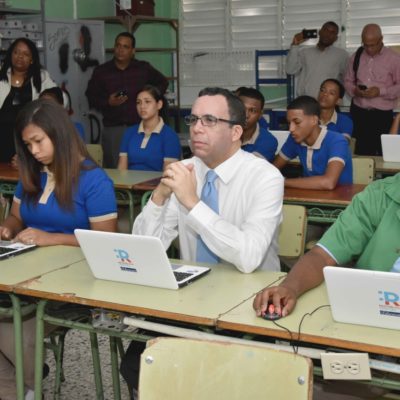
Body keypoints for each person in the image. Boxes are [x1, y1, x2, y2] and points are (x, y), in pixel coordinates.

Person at [121, 87, 283, 396]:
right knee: (139, 365)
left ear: (236, 131)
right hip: (191, 297)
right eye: (193, 118)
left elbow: (248, 257)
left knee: (221, 380)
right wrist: (159, 197)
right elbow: (142, 249)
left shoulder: (265, 177)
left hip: (248, 302)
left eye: (209, 120)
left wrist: (193, 203)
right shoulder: (186, 170)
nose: (196, 127)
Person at [0, 99, 117, 400]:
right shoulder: (32, 173)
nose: (33, 151)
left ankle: (26, 383)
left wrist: (52, 238)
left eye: (38, 141)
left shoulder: (93, 180)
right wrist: (9, 228)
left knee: (15, 328)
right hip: (26, 275)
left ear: (58, 134)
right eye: (28, 145)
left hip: (72, 283)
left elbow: (106, 241)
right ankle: (21, 385)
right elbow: (16, 216)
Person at [253, 173, 400, 400]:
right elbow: (322, 255)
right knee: (295, 382)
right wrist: (290, 287)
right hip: (371, 331)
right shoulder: (381, 195)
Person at [86, 32, 168, 168]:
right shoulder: (102, 71)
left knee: (142, 167)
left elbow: (162, 82)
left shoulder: (143, 68)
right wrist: (108, 101)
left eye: (125, 46)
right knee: (115, 170)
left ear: (133, 51)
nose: (120, 50)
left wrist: (149, 99)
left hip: (140, 127)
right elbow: (90, 96)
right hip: (114, 129)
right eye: (118, 45)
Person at [273, 96, 352, 190]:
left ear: (314, 120)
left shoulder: (337, 141)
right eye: (289, 123)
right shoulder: (294, 139)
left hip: (340, 201)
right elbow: (273, 169)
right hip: (309, 198)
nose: (291, 129)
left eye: (297, 122)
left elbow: (328, 183)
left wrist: (283, 182)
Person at [344, 23, 400, 156]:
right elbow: (347, 81)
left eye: (372, 45)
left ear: (381, 39)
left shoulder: (394, 59)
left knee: (384, 153)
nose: (368, 49)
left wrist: (380, 91)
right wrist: (355, 91)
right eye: (365, 44)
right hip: (359, 113)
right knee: (359, 153)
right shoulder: (356, 56)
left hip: (382, 116)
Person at [0, 37, 56, 163]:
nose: (20, 56)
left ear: (32, 59)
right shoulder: (1, 75)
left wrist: (48, 99)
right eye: (16, 52)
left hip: (28, 139)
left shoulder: (41, 77)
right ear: (10, 55)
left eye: (25, 54)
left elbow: (61, 98)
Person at [117, 85, 181, 171]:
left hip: (158, 184)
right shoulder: (129, 133)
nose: (142, 106)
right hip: (130, 184)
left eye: (147, 102)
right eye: (138, 102)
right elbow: (121, 169)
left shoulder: (170, 136)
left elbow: (169, 175)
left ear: (159, 104)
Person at [286, 21, 348, 98]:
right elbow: (290, 70)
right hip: (306, 101)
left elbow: (347, 79)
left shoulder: (342, 55)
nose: (328, 34)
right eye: (326, 30)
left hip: (328, 102)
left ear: (336, 38)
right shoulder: (305, 52)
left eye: (332, 32)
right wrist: (295, 44)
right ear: (320, 32)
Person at [235, 86, 278, 162]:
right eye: (242, 108)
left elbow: (247, 170)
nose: (246, 115)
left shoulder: (268, 141)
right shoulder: (224, 133)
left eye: (252, 111)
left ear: (260, 115)